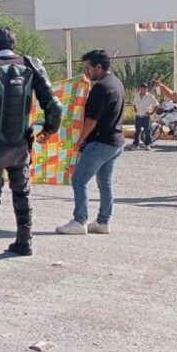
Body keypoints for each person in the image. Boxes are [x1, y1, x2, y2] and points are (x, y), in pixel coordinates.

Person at [0, 26, 63, 259]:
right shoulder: (31, 63)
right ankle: (24, 241)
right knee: (22, 192)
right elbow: (55, 105)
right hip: (21, 143)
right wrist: (50, 129)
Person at [56, 49, 125, 235]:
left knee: (79, 180)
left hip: (100, 143)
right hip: (115, 142)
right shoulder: (116, 83)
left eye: (88, 68)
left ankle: (80, 220)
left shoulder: (100, 88)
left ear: (99, 67)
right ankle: (103, 222)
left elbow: (92, 120)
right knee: (105, 183)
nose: (87, 72)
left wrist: (81, 139)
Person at [127, 82, 159, 151]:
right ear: (140, 89)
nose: (143, 90)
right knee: (137, 131)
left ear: (147, 89)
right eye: (142, 88)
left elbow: (156, 105)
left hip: (146, 117)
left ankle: (148, 144)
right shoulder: (137, 95)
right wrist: (135, 109)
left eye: (145, 88)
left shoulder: (150, 96)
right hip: (138, 116)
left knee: (147, 131)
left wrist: (151, 112)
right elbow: (134, 103)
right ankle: (136, 144)